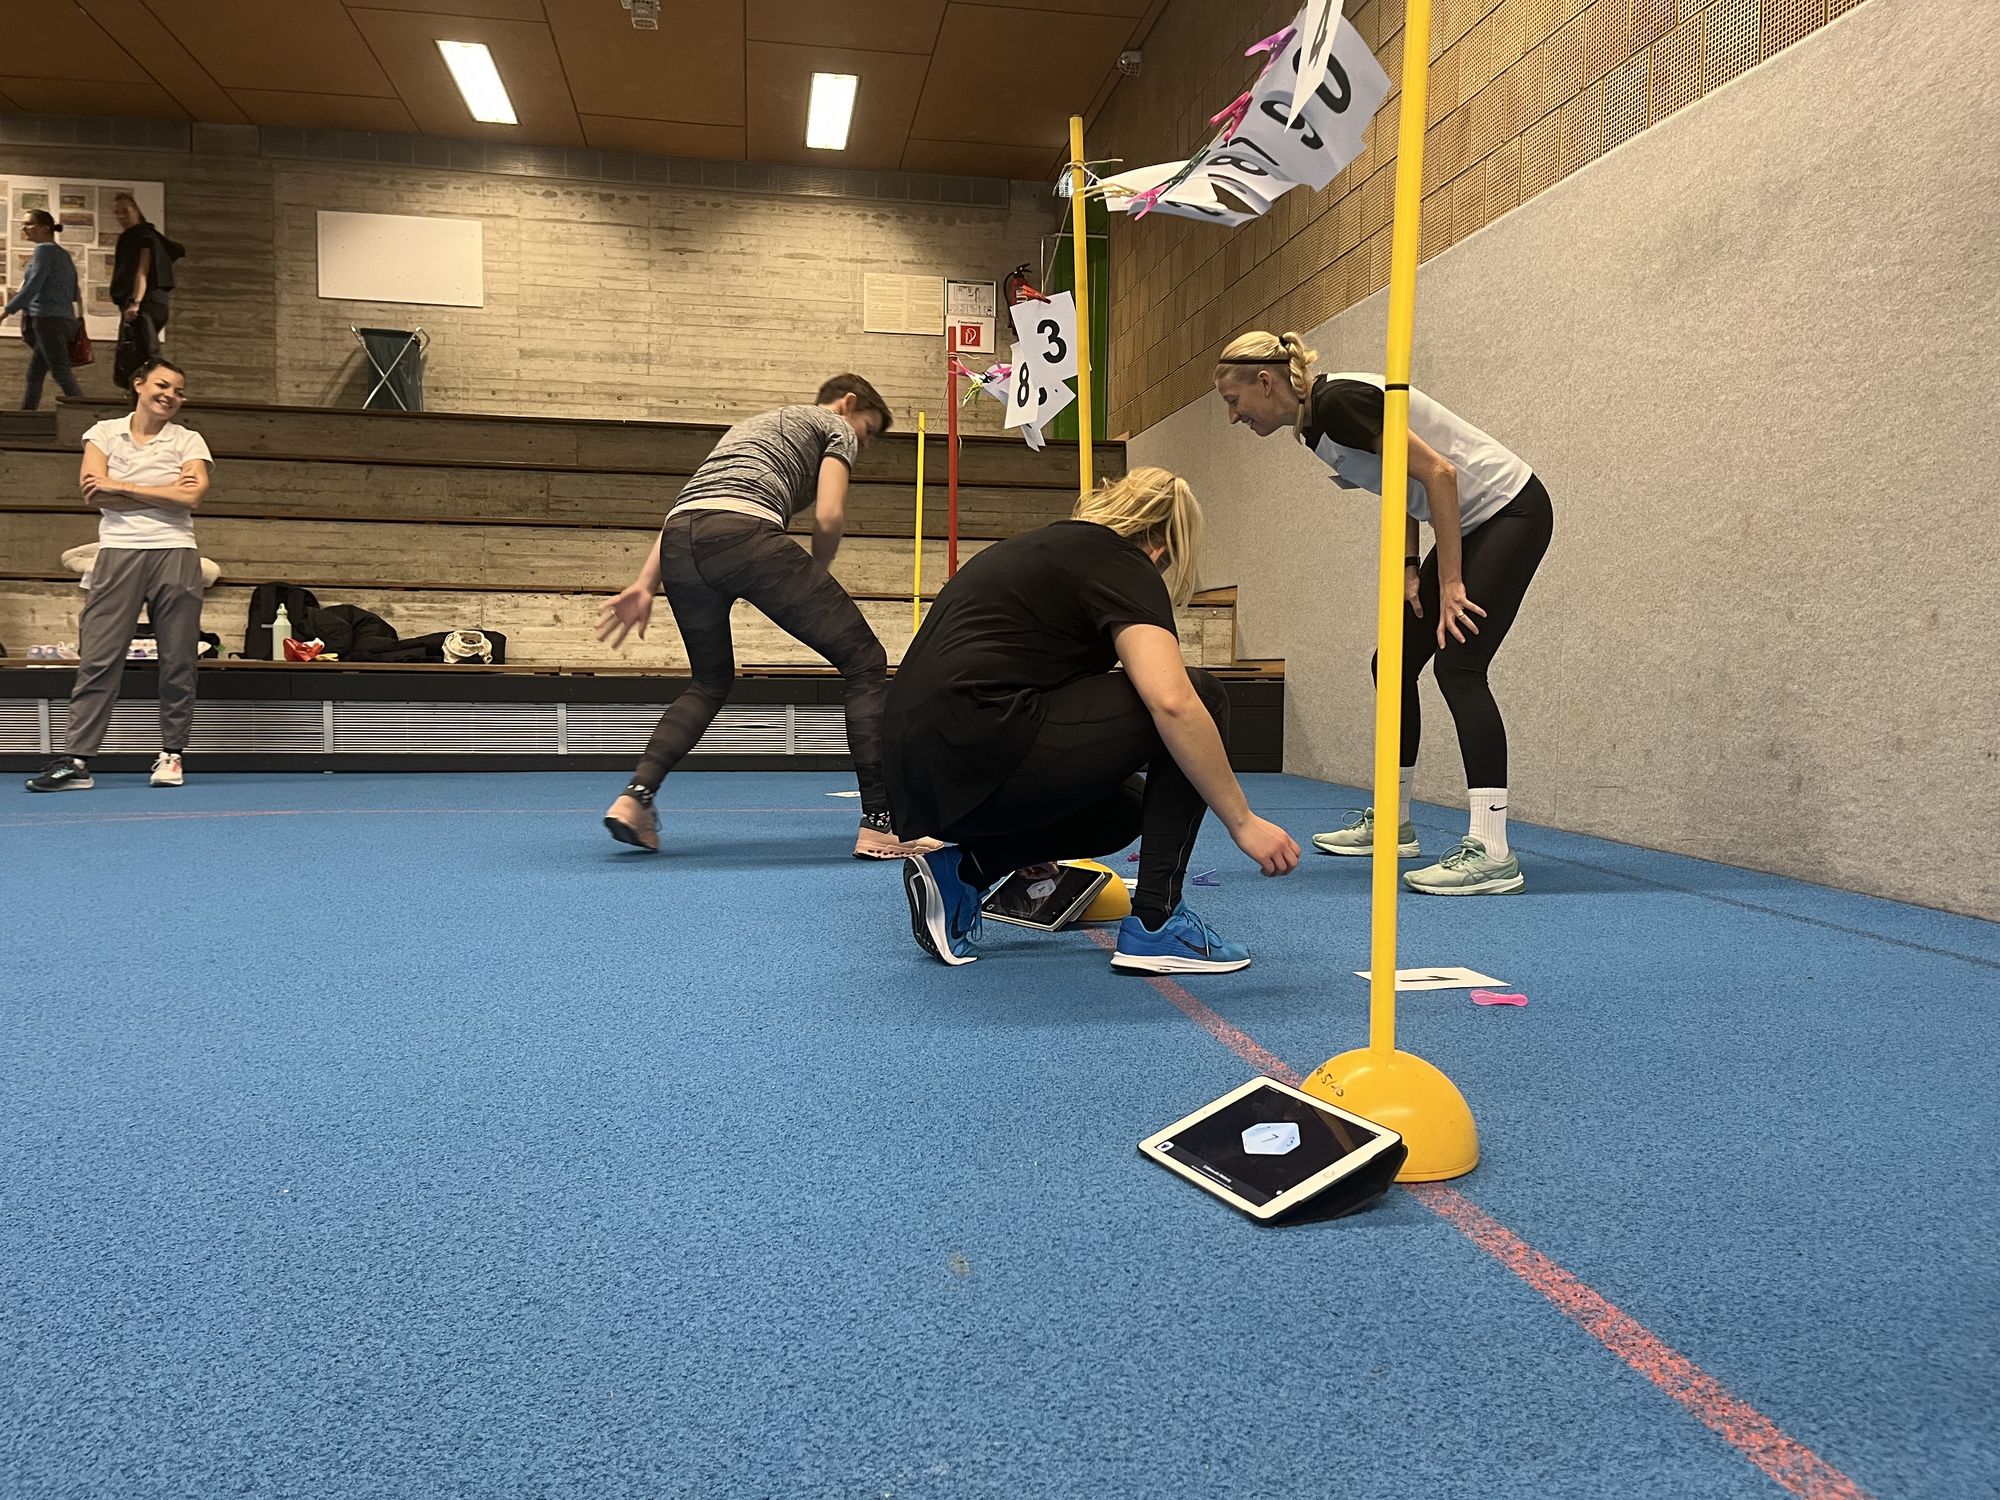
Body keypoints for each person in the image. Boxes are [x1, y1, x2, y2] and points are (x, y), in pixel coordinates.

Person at [887, 466, 1300, 972]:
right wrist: (1242, 821)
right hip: (979, 740)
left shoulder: (1040, 550)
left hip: (920, 774)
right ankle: (1158, 923)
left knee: (1124, 809)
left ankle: (963, 872)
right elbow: (1173, 701)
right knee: (1202, 695)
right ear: (1162, 547)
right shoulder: (1121, 560)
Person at [1214, 331, 1554, 896]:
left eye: (1233, 401)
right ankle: (1394, 823)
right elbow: (1403, 484)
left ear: (1266, 382)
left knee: (1459, 667)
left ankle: (1493, 849)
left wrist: (1451, 582)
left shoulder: (1340, 403)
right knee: (1392, 662)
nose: (1233, 417)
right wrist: (1410, 565)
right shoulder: (1314, 427)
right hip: (1469, 524)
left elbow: (1440, 474)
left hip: (1509, 511)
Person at [595, 375, 936, 859]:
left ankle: (635, 798)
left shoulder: (746, 428)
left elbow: (691, 505)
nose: (864, 443)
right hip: (745, 536)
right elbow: (829, 514)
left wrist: (645, 583)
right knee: (864, 661)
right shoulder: (833, 425)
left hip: (680, 545)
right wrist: (815, 571)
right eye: (868, 430)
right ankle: (882, 823)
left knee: (709, 682)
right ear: (848, 403)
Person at [25, 358, 213, 793]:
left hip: (176, 552)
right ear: (139, 384)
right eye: (163, 385)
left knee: (178, 660)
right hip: (117, 553)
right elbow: (94, 492)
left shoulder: (188, 440)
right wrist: (165, 493)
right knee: (98, 658)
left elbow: (192, 498)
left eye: (179, 391)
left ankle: (172, 755)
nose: (171, 395)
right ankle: (76, 761)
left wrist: (123, 486)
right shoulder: (104, 432)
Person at [6, 209, 83, 410]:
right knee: (35, 373)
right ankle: (26, 416)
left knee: (61, 372)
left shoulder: (44, 251)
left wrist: (6, 311)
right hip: (63, 319)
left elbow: (33, 286)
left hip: (48, 319)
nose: (24, 228)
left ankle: (86, 415)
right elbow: (74, 292)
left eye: (29, 224)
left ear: (45, 228)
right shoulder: (62, 254)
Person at [108, 193, 181, 393]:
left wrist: (135, 302)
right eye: (117, 212)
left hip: (144, 304)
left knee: (145, 355)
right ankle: (145, 395)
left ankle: (161, 391)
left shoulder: (140, 236)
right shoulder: (152, 235)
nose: (121, 216)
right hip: (157, 304)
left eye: (125, 211)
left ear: (137, 210)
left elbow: (142, 271)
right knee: (142, 355)